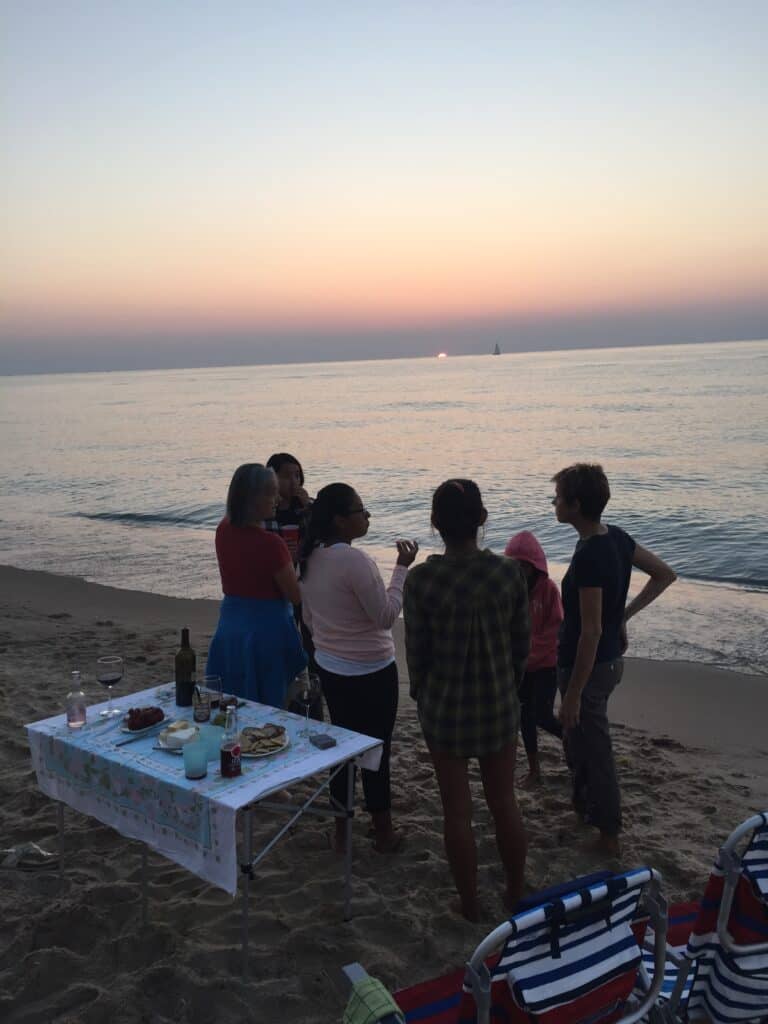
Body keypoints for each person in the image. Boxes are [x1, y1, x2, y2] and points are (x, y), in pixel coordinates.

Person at [403, 480, 529, 921]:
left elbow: (416, 652)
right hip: (497, 704)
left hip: (445, 709)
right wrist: (507, 685)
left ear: (436, 524)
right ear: (483, 518)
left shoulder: (422, 580)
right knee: (503, 802)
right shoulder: (510, 573)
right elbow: (521, 646)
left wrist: (423, 693)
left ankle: (471, 904)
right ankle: (515, 892)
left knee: (456, 811)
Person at [552, 463, 676, 856]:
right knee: (581, 743)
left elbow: (590, 632)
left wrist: (572, 694)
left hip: (588, 666)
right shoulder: (616, 538)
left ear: (575, 504)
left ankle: (609, 835)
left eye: (558, 497)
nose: (553, 502)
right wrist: (622, 615)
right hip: (604, 664)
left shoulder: (592, 554)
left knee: (595, 749)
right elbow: (662, 574)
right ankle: (586, 812)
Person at [299, 483, 418, 854]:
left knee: (344, 748)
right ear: (339, 519)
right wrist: (401, 570)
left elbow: (308, 618)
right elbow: (384, 616)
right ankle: (382, 832)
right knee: (374, 751)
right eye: (360, 511)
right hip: (371, 670)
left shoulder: (308, 558)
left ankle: (341, 832)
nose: (367, 516)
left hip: (332, 667)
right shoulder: (354, 561)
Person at [206, 463, 307, 706]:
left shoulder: (223, 528)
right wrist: (293, 560)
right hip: (266, 630)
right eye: (270, 493)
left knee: (235, 700)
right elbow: (295, 596)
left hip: (231, 626)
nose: (277, 498)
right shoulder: (271, 544)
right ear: (252, 498)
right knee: (272, 703)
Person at [504, 531, 564, 787]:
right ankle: (534, 770)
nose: (519, 571)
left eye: (524, 566)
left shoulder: (548, 589)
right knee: (523, 719)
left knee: (543, 716)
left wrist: (530, 651)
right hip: (519, 667)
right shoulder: (508, 591)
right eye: (514, 566)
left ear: (534, 566)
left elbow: (556, 628)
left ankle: (577, 745)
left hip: (547, 665)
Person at [264, 452, 321, 719]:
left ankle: (313, 705)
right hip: (278, 590)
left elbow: (321, 541)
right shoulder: (266, 513)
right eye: (287, 475)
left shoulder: (307, 510)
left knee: (312, 648)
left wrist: (309, 508)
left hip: (308, 587)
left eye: (297, 475)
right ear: (271, 477)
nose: (293, 481)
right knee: (287, 648)